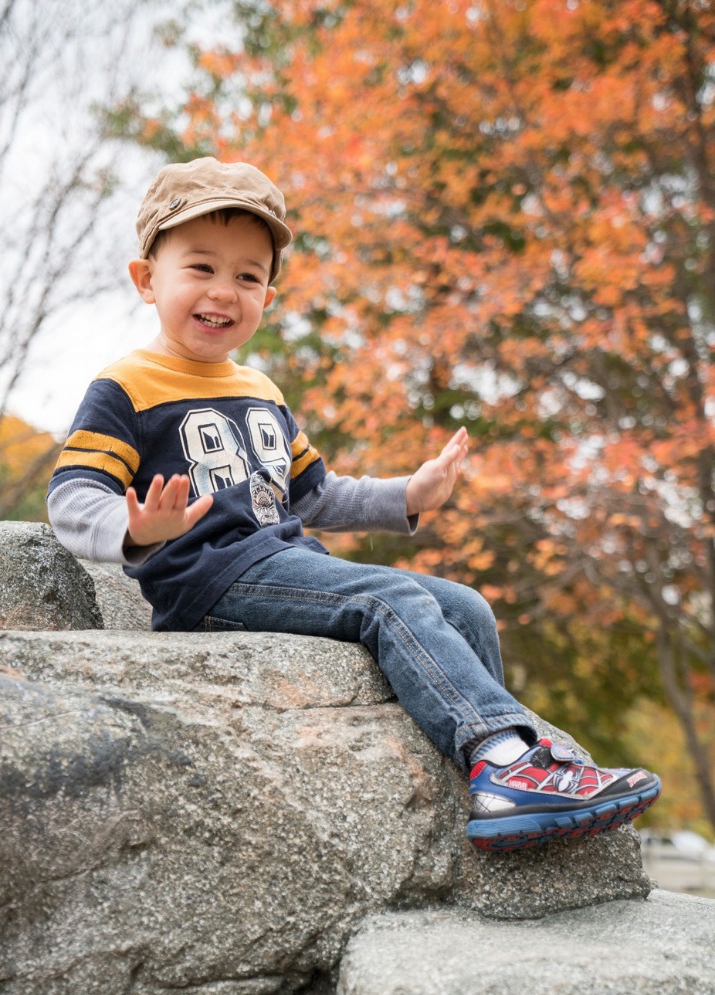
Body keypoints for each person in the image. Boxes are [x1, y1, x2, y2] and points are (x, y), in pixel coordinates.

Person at [47, 157, 661, 853]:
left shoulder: (260, 388)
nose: (225, 291)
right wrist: (133, 529)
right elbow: (72, 496)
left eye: (248, 275)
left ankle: (503, 784)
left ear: (268, 296)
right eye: (201, 268)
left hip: (280, 563)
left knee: (465, 608)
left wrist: (409, 494)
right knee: (386, 599)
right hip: (207, 579)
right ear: (145, 279)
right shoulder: (125, 385)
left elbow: (314, 494)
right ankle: (506, 761)